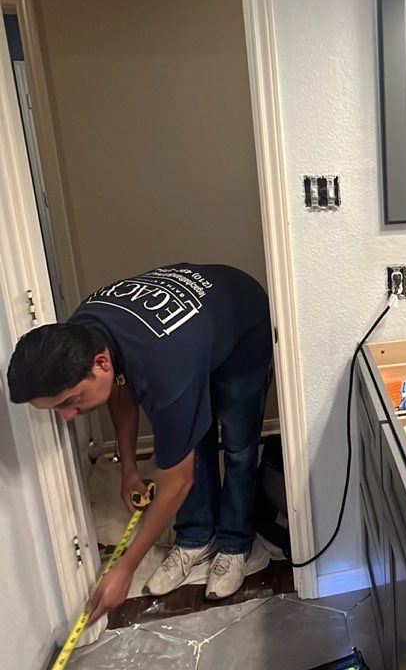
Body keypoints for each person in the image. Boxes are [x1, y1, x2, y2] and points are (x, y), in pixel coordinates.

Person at [7, 263, 273, 621]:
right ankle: (195, 537)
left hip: (242, 321)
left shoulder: (163, 366)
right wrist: (128, 467)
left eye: (70, 401)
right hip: (194, 334)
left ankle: (235, 543)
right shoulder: (83, 331)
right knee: (194, 443)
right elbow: (120, 388)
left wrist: (125, 568)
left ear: (99, 363)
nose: (67, 416)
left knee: (239, 446)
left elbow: (177, 481)